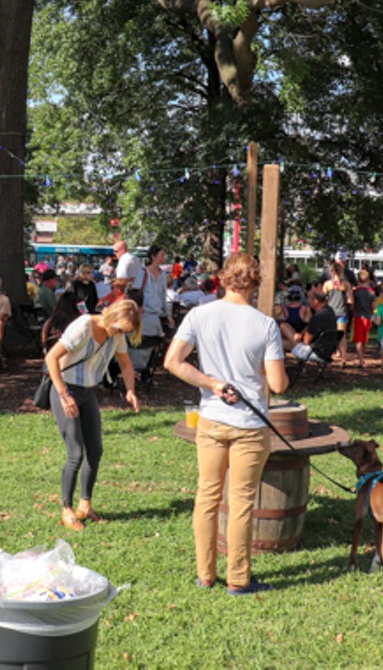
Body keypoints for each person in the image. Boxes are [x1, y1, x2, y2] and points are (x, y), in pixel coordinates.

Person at [163, 253, 287, 594]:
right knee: (242, 503)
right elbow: (278, 385)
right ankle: (238, 579)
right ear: (256, 283)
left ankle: (205, 575)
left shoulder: (200, 315)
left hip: (213, 418)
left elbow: (173, 362)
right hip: (250, 424)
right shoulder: (265, 325)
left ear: (223, 279)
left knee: (206, 498)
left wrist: (211, 383)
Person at [44, 298, 141, 531]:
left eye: (124, 331)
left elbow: (126, 365)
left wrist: (130, 390)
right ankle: (66, 509)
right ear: (112, 316)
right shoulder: (84, 326)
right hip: (65, 390)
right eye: (118, 328)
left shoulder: (116, 335)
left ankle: (85, 505)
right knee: (75, 453)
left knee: (95, 450)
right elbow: (51, 358)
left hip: (88, 393)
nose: (119, 333)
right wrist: (64, 395)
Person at [281, 290, 337, 362]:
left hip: (314, 352)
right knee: (282, 337)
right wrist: (300, 334)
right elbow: (310, 327)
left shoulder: (318, 317)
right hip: (326, 351)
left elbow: (306, 341)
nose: (307, 301)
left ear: (315, 301)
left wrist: (299, 337)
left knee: (282, 330)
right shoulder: (329, 311)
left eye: (309, 299)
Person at [351, 270, 375, 367]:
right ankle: (362, 357)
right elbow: (373, 307)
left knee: (358, 339)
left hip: (357, 316)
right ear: (368, 279)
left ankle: (360, 359)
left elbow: (352, 306)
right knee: (364, 339)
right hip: (368, 317)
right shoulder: (371, 292)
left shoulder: (355, 292)